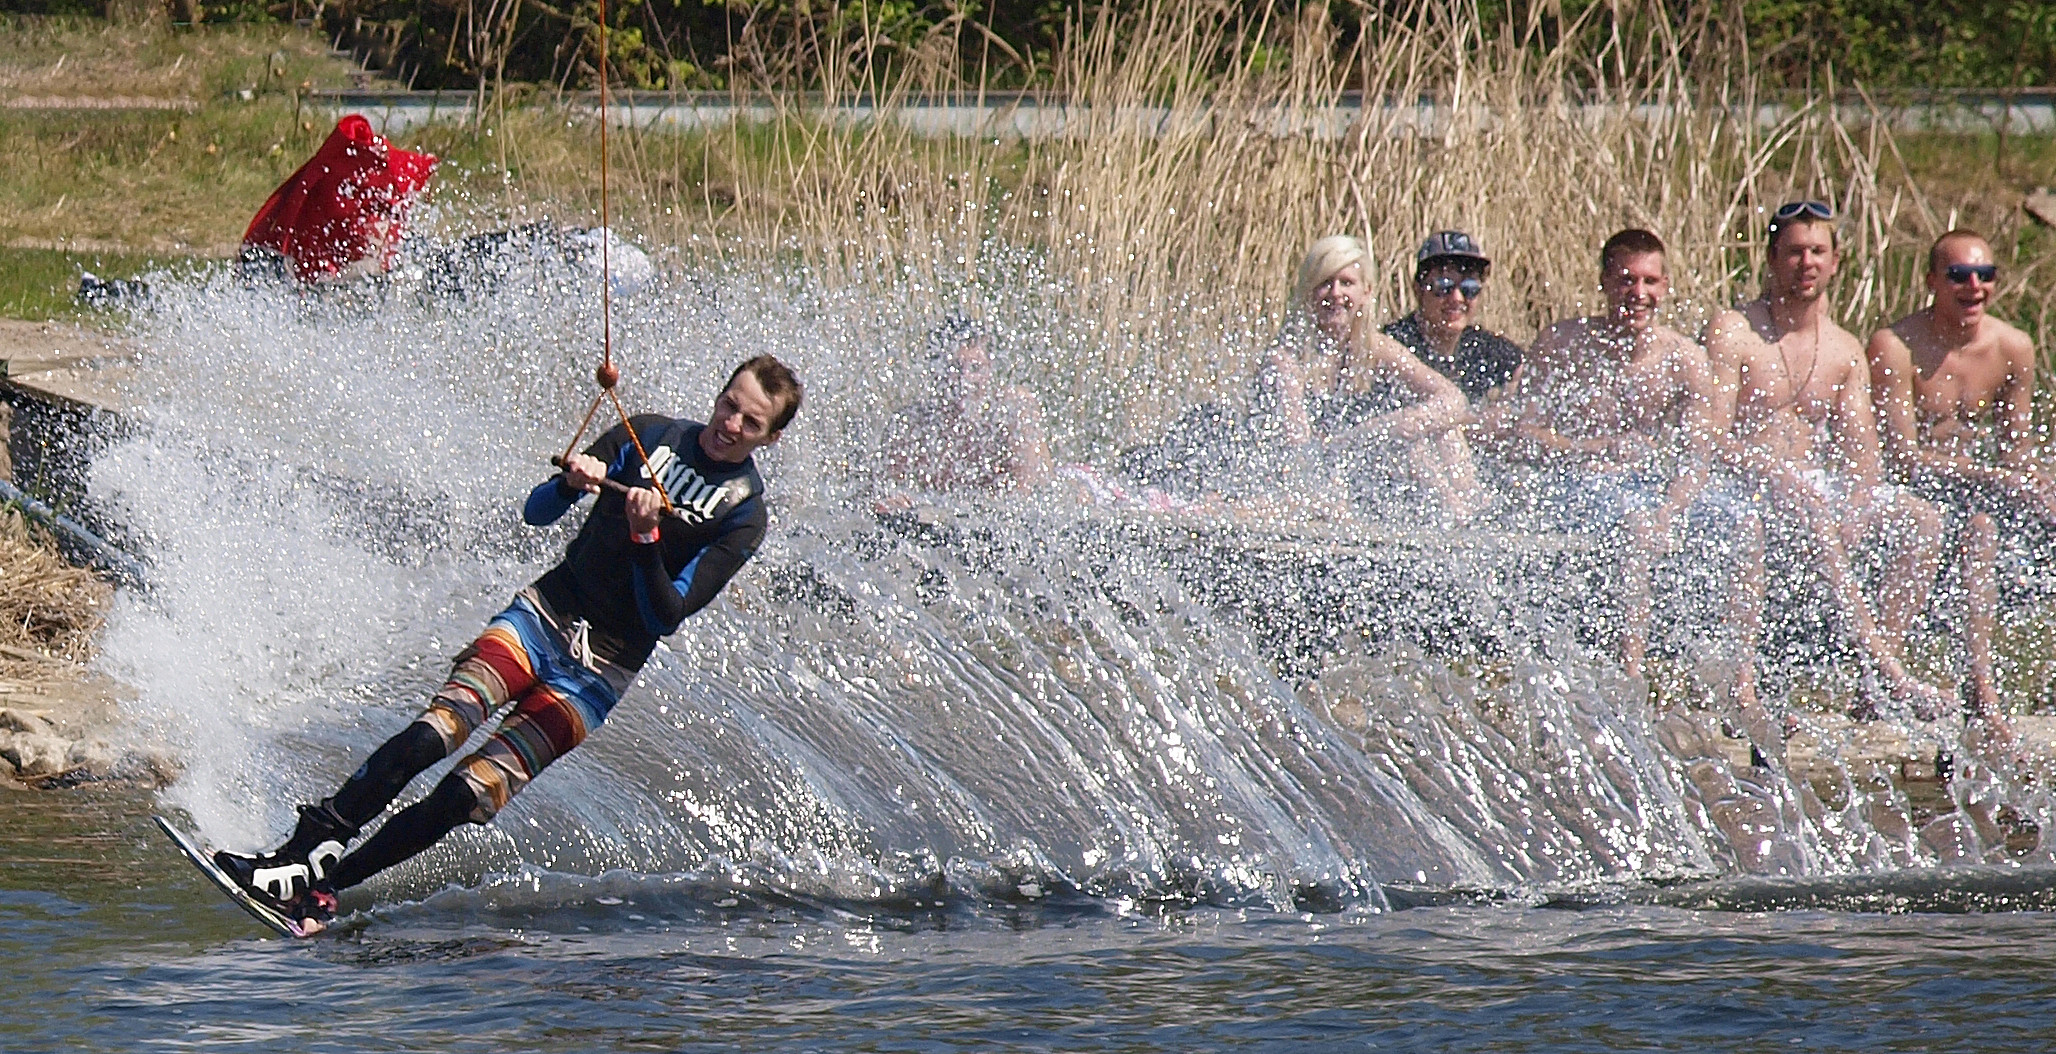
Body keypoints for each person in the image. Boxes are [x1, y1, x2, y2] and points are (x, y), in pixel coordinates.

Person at [215, 356, 802, 932]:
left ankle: (324, 891)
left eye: (751, 423)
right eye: (730, 405)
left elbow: (666, 614)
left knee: (463, 796)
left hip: (600, 673)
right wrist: (572, 484)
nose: (731, 425)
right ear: (719, 394)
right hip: (544, 615)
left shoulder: (744, 517)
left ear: (770, 438)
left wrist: (646, 535)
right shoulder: (646, 434)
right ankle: (298, 854)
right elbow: (536, 512)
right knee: (436, 732)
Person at [1703, 201, 1949, 718]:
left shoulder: (1843, 348)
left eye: (1818, 251)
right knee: (1797, 508)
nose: (1806, 262)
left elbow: (1863, 453)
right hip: (1739, 485)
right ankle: (1754, 686)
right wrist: (1776, 475)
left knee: (1923, 521)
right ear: (1771, 260)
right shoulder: (1734, 329)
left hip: (1810, 488)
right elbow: (1711, 434)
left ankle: (1871, 687)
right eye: (1794, 252)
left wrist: (1860, 501)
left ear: (1836, 261)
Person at [1511, 229, 1735, 682]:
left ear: (1666, 286)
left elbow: (1697, 456)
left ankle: (1740, 681)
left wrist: (1670, 512)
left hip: (1650, 494)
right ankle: (1630, 677)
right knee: (1634, 522)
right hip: (1575, 488)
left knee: (1744, 522)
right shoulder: (1565, 343)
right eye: (1627, 280)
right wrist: (1585, 449)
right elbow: (1523, 433)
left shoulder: (1683, 360)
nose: (1639, 294)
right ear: (1605, 283)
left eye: (1650, 282)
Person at [1867, 229, 2041, 733]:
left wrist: (2038, 484)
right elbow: (1902, 459)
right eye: (1959, 275)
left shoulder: (2013, 347)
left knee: (1991, 520)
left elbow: (2017, 449)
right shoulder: (1897, 345)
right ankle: (1979, 688)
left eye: (1984, 275)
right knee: (1979, 529)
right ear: (1931, 282)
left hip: (1979, 492)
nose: (1974, 286)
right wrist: (1999, 477)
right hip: (1911, 492)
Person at [1252, 234, 1485, 522]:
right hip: (1299, 485)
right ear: (1308, 292)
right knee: (1411, 446)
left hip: (1351, 472)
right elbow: (1298, 456)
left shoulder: (1373, 347)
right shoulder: (1286, 360)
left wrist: (1382, 430)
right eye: (1325, 283)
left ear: (1366, 292)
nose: (1336, 293)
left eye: (1346, 283)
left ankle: (1473, 517)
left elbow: (1453, 399)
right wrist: (1359, 443)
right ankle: (1458, 521)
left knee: (1442, 432)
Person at [880, 318, 1052, 493]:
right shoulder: (913, 425)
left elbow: (1025, 494)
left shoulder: (1012, 411)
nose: (965, 378)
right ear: (936, 372)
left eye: (976, 368)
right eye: (954, 368)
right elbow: (880, 489)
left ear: (990, 369)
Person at [1381, 230, 1525, 404]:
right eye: (1444, 286)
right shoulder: (1392, 346)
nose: (1457, 298)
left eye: (1469, 287)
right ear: (1418, 291)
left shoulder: (1489, 351)